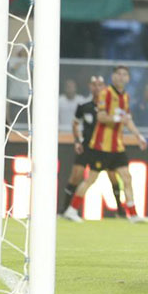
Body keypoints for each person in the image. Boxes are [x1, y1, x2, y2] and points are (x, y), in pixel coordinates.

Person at [62, 66, 148, 223]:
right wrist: (117, 119)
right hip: (101, 146)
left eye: (124, 75)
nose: (121, 77)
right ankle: (72, 209)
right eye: (119, 74)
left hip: (117, 147)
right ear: (113, 77)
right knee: (91, 180)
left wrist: (139, 136)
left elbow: (127, 120)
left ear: (128, 78)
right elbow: (101, 117)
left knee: (126, 178)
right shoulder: (106, 93)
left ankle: (133, 214)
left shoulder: (126, 97)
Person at [61, 76, 127, 217]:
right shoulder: (84, 106)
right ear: (90, 87)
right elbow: (75, 123)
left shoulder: (110, 106)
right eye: (94, 85)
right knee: (76, 176)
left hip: (104, 147)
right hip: (87, 146)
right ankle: (65, 209)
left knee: (113, 176)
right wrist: (77, 141)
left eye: (100, 85)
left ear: (104, 87)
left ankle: (120, 211)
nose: (97, 88)